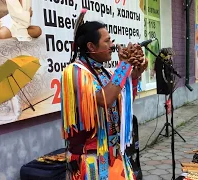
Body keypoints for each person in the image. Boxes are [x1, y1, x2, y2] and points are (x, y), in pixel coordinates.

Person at [60, 21, 147, 180]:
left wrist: (134, 76)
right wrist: (124, 66)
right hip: (90, 161)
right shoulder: (75, 71)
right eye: (107, 41)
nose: (112, 45)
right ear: (92, 47)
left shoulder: (104, 73)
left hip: (113, 156)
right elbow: (103, 99)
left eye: (111, 40)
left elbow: (121, 103)